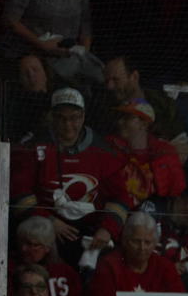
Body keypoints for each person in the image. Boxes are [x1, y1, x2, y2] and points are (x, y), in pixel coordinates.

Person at [10, 88, 132, 266]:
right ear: (52, 117)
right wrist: (49, 221)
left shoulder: (103, 152)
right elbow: (19, 193)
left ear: (83, 117)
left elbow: (120, 196)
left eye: (74, 118)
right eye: (61, 118)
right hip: (46, 229)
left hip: (90, 229)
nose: (68, 125)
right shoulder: (33, 147)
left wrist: (107, 230)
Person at [85, 210, 184, 296]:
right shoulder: (109, 264)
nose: (142, 248)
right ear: (125, 241)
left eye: (147, 242)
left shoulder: (166, 267)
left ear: (155, 244)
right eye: (136, 241)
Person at [104, 97, 185, 208]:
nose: (120, 122)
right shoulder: (109, 146)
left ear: (144, 124)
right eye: (119, 117)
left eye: (127, 117)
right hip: (115, 209)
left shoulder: (164, 151)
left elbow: (177, 188)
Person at [14, 215, 85, 296]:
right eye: (22, 242)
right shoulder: (9, 270)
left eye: (32, 244)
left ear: (47, 247)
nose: (23, 248)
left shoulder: (66, 273)